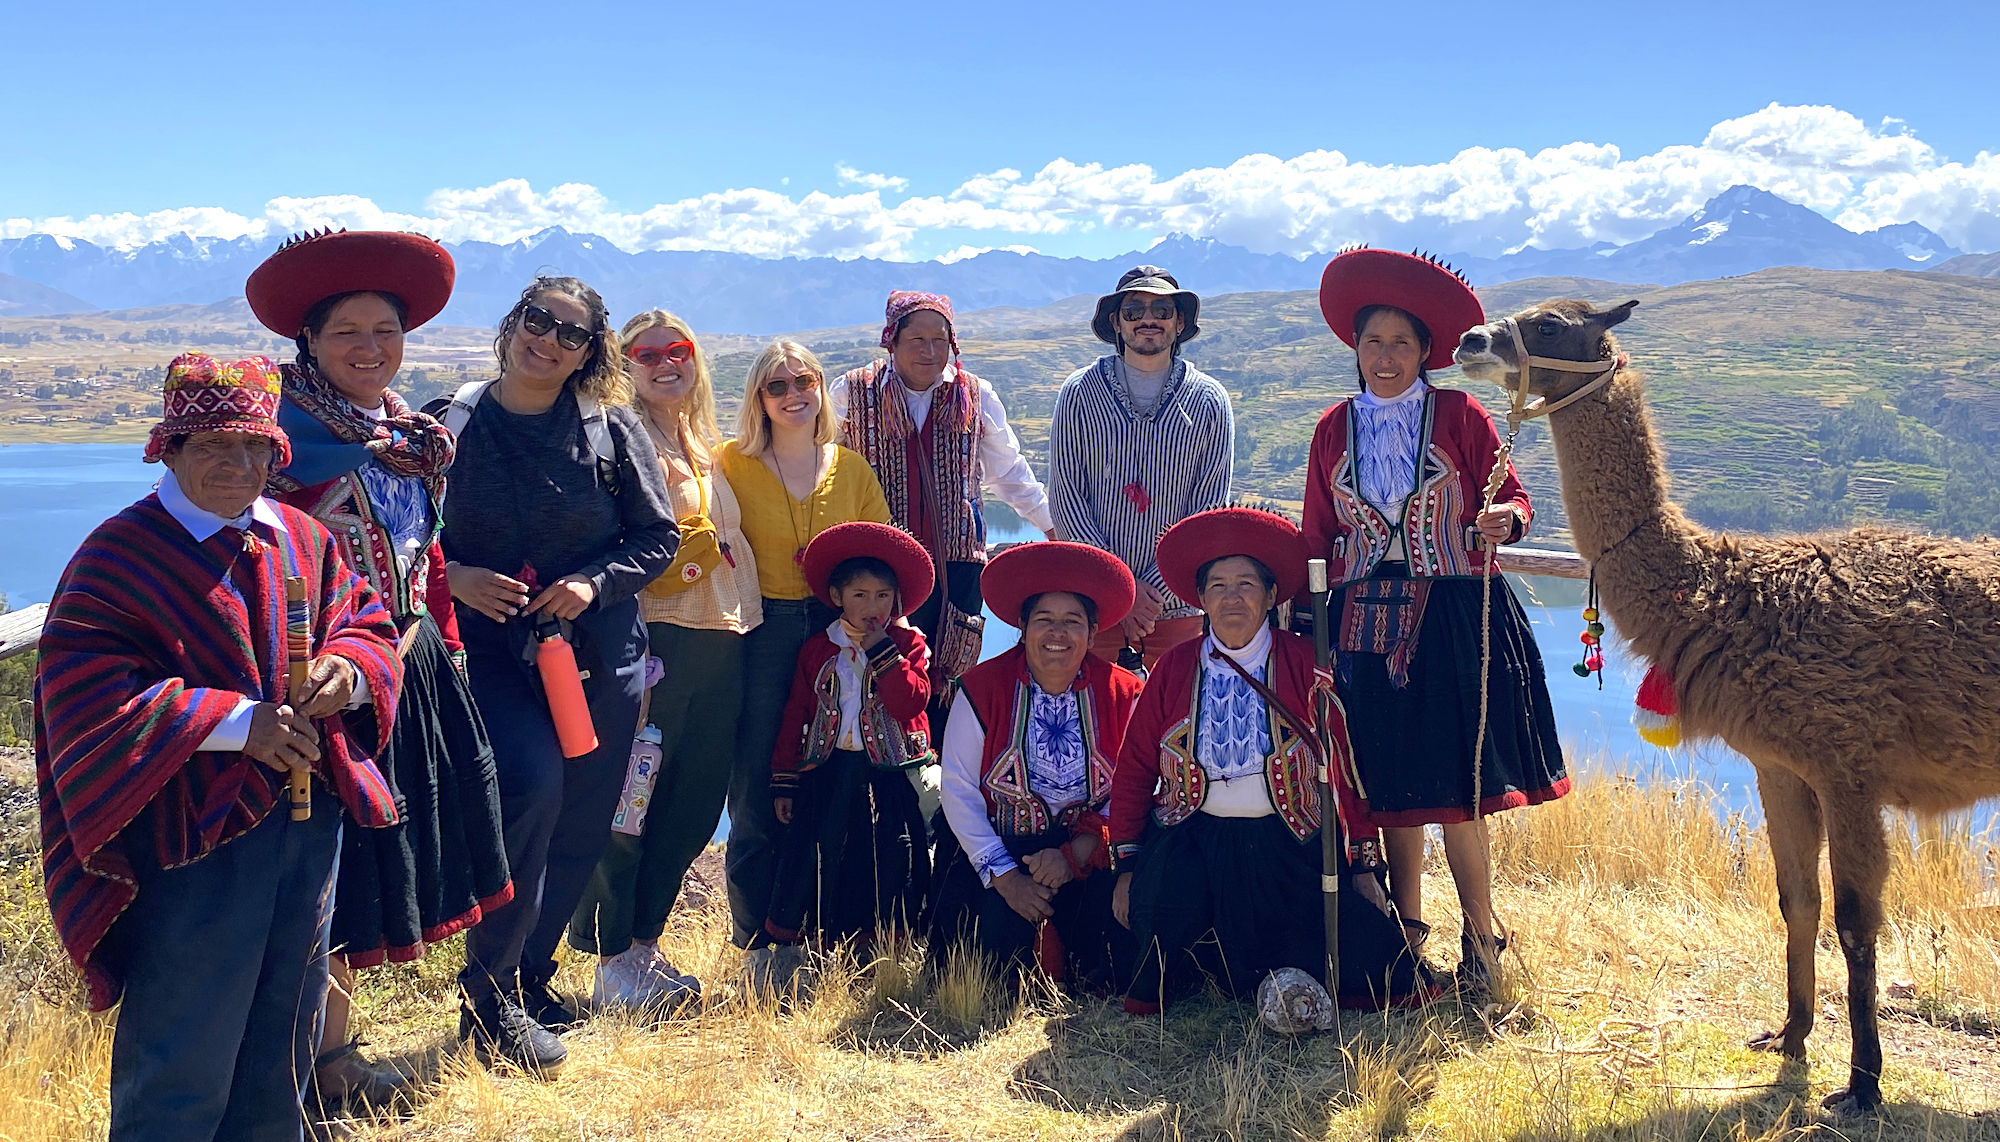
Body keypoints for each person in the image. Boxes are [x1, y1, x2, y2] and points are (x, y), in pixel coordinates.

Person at [34, 353, 403, 1141]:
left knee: (283, 1041)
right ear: (169, 450)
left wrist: (349, 674)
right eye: (212, 448)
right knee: (183, 1055)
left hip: (307, 827)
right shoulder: (122, 555)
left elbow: (366, 624)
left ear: (277, 452)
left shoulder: (300, 537)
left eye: (255, 448)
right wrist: (237, 722)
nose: (238, 466)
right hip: (192, 841)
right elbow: (83, 695)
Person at [247, 229, 512, 1109]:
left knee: (357, 864)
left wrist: (445, 640)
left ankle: (334, 1057)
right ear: (309, 344)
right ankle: (294, 1072)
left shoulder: (408, 437)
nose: (370, 349)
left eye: (386, 331)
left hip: (401, 670)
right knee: (316, 863)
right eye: (348, 332)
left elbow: (424, 557)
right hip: (314, 681)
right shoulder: (277, 446)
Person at [1303, 248, 1568, 988]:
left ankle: (1483, 941)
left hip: (1452, 612)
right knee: (1390, 790)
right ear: (1354, 349)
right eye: (1372, 342)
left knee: (1458, 790)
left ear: (1426, 352)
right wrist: (1299, 618)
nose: (1385, 358)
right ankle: (1406, 944)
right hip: (1363, 622)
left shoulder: (1459, 413)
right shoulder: (1333, 427)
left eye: (1401, 343)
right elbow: (1317, 530)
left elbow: (1513, 496)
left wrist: (1505, 520)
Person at [440, 276, 678, 1073]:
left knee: (583, 815)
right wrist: (457, 576)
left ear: (588, 354)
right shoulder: (451, 425)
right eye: (538, 321)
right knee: (530, 788)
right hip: (495, 653)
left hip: (599, 653)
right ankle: (489, 992)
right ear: (513, 323)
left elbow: (656, 538)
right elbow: (403, 541)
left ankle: (533, 978)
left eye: (570, 334)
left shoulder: (611, 432)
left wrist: (591, 585)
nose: (548, 339)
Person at [1107, 507, 1433, 1014]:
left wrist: (1365, 866)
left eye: (1245, 584)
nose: (1231, 597)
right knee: (1155, 940)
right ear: (1200, 598)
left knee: (1375, 963)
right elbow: (1134, 770)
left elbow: (1345, 771)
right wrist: (1128, 865)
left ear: (1270, 595)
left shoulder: (1307, 662)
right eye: (1217, 585)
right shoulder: (1173, 667)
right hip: (1191, 842)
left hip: (1288, 844)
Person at [568, 309, 761, 1014]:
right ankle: (611, 958)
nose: (663, 362)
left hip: (723, 640)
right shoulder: (615, 442)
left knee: (689, 804)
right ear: (621, 367)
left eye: (676, 349)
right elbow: (607, 549)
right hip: (656, 643)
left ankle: (646, 945)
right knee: (631, 797)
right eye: (643, 354)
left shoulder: (706, 444)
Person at [717, 341, 893, 961]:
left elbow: (880, 554)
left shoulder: (851, 468)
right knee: (760, 785)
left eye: (805, 382)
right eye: (777, 386)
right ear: (758, 399)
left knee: (836, 785)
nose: (793, 395)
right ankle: (755, 942)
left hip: (838, 631)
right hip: (763, 632)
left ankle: (823, 930)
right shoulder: (729, 465)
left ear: (821, 390)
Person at [930, 541, 1143, 989]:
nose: (1058, 634)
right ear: (1022, 627)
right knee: (989, 970)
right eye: (1044, 620)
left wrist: (1075, 854)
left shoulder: (1125, 694)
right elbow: (959, 790)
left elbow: (1137, 788)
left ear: (1093, 630)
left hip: (1087, 852)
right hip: (998, 852)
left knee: (1118, 954)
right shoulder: (981, 688)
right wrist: (1008, 880)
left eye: (1073, 622)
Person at [749, 522, 935, 982]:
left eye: (883, 597)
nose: (873, 608)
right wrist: (785, 779)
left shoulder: (909, 645)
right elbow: (796, 714)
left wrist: (883, 654)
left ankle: (877, 954)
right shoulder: (818, 648)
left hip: (887, 777)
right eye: (860, 595)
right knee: (819, 856)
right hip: (827, 774)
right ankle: (809, 952)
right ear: (836, 596)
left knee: (883, 859)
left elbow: (910, 701)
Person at [1048, 265, 1233, 671]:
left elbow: (1206, 512)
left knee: (1173, 726)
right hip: (1093, 605)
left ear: (1180, 321)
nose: (1148, 319)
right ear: (1116, 321)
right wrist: (1118, 590)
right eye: (1134, 310)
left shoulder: (1210, 401)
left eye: (1161, 310)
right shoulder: (1079, 393)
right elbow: (1066, 498)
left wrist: (1150, 592)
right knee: (1094, 726)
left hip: (1174, 608)